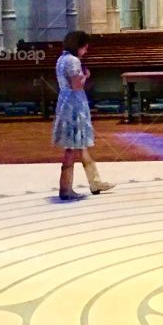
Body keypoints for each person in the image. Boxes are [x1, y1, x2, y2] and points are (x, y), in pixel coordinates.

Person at [53, 30, 114, 200]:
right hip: (74, 105)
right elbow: (77, 85)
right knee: (72, 147)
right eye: (85, 47)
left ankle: (95, 182)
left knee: (80, 146)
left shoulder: (61, 59)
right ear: (78, 46)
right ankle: (65, 189)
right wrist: (86, 76)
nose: (85, 51)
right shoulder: (73, 61)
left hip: (66, 101)